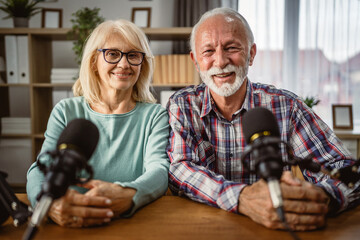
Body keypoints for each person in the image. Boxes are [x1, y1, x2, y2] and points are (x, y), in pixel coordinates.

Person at [166, 7, 360, 231]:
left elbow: (345, 170)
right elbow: (180, 169)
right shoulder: (182, 104)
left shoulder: (286, 107)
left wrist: (322, 197)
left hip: (276, 229)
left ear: (251, 54)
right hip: (206, 230)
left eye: (231, 48)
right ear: (196, 60)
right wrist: (242, 197)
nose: (220, 61)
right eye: (208, 51)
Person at [27, 19, 170, 227]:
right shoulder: (66, 111)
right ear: (94, 61)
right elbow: (40, 169)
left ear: (142, 64)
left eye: (133, 55)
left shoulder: (155, 115)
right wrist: (48, 204)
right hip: (70, 224)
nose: (124, 64)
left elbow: (159, 171)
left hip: (131, 224)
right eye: (112, 54)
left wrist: (127, 195)